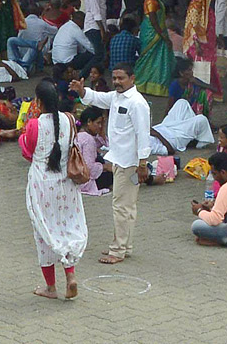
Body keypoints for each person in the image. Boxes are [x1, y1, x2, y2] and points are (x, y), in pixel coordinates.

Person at [70, 64, 150, 264]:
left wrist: (142, 163)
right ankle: (125, 246)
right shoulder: (115, 97)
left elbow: (143, 135)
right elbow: (97, 98)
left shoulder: (138, 103)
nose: (116, 82)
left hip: (129, 163)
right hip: (118, 159)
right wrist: (83, 91)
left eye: (121, 78)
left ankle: (118, 250)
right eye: (114, 78)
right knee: (127, 206)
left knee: (121, 206)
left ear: (132, 78)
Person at [20, 79, 87, 299]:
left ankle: (50, 287)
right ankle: (71, 276)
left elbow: (28, 151)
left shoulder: (34, 125)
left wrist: (20, 137)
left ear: (38, 102)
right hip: (66, 185)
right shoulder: (69, 119)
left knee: (44, 233)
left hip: (42, 185)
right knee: (66, 227)